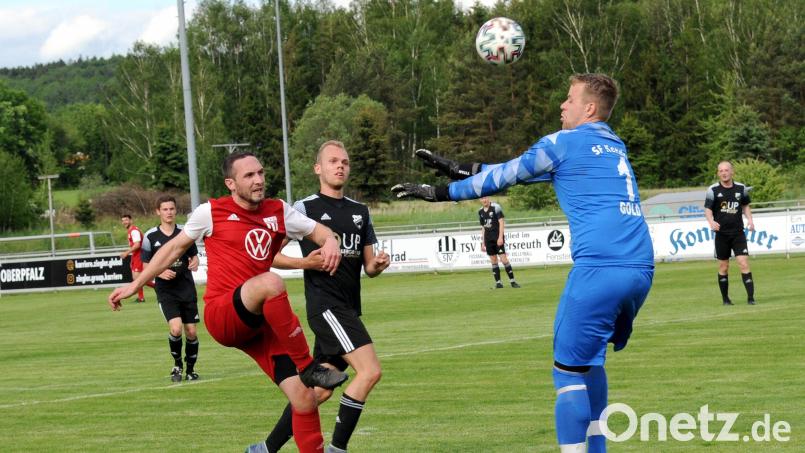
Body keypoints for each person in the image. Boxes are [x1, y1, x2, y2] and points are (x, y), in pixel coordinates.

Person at [393, 73, 655, 453]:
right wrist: (458, 166)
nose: (562, 106)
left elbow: (504, 175)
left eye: (569, 99)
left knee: (565, 372)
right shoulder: (615, 145)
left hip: (600, 268)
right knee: (590, 363)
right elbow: (515, 171)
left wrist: (440, 192)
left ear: (589, 108)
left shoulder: (562, 142)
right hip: (641, 269)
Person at [109, 151, 350, 453]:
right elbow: (173, 249)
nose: (259, 179)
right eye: (249, 175)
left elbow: (323, 232)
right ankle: (308, 365)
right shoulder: (211, 212)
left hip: (259, 323)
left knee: (304, 398)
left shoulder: (279, 211)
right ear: (231, 183)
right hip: (224, 315)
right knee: (271, 283)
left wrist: (330, 242)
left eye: (261, 172)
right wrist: (136, 284)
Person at [263, 141, 390, 453]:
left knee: (316, 393)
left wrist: (378, 265)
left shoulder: (361, 212)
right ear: (318, 168)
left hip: (347, 308)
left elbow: (369, 266)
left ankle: (265, 449)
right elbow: (269, 256)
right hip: (326, 307)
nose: (340, 166)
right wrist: (305, 262)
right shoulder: (305, 209)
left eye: (345, 162)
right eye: (333, 161)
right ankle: (337, 449)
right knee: (370, 371)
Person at [141, 195, 202, 382]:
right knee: (176, 329)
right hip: (166, 291)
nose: (169, 212)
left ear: (176, 211)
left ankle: (191, 369)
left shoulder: (184, 232)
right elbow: (145, 266)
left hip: (186, 288)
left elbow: (194, 256)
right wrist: (159, 272)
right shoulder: (150, 236)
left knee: (191, 331)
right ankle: (177, 366)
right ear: (158, 211)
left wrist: (195, 262)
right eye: (165, 209)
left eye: (172, 209)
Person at [704, 161, 756, 305]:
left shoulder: (741, 188)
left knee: (743, 263)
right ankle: (726, 299)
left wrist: (750, 220)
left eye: (726, 170)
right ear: (718, 173)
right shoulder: (712, 190)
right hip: (722, 235)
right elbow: (707, 209)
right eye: (721, 171)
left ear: (732, 171)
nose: (724, 173)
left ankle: (751, 298)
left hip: (738, 233)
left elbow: (745, 205)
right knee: (723, 267)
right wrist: (711, 221)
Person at [478, 196, 520, 289]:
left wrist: (500, 237)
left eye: (485, 198)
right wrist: (483, 242)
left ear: (488, 198)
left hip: (497, 238)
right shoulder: (480, 211)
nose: (484, 200)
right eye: (482, 198)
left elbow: (501, 222)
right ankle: (498, 283)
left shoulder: (496, 207)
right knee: (493, 260)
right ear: (480, 200)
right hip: (488, 240)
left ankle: (512, 281)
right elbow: (483, 227)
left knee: (504, 260)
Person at [120, 214, 147, 303]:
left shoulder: (134, 231)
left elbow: (137, 245)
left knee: (138, 278)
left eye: (126, 220)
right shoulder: (131, 230)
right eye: (123, 220)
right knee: (136, 278)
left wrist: (126, 253)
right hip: (136, 255)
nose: (124, 222)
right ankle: (141, 297)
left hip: (139, 255)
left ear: (131, 220)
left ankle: (156, 287)